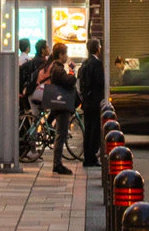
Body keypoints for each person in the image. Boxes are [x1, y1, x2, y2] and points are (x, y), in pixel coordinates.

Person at [39, 44, 79, 175]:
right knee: (61, 134)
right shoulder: (58, 69)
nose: (67, 56)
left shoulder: (55, 67)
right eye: (65, 54)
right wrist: (72, 71)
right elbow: (69, 81)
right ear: (60, 55)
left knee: (60, 133)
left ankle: (58, 163)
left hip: (59, 102)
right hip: (62, 103)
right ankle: (57, 164)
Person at [77, 45, 106, 168]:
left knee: (88, 130)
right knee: (95, 130)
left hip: (86, 101)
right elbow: (100, 82)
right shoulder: (97, 64)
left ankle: (87, 158)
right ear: (97, 49)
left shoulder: (84, 63)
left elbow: (80, 81)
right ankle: (92, 157)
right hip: (95, 101)